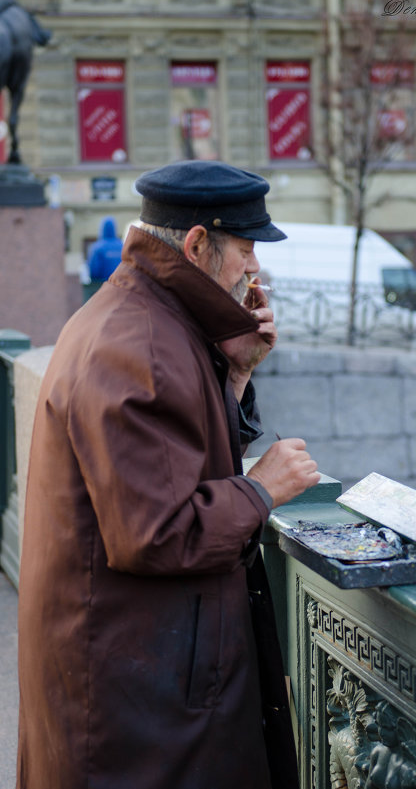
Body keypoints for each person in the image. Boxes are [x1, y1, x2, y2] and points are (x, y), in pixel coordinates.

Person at [17, 160, 320, 789]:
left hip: (132, 676)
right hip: (136, 705)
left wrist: (234, 376)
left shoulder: (141, 314)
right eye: (245, 248)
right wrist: (262, 487)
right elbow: (156, 531)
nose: (254, 269)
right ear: (196, 244)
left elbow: (170, 456)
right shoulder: (142, 346)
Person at [87, 214, 123, 280]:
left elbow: (93, 271)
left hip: (102, 285)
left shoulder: (97, 248)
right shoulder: (122, 246)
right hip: (121, 285)